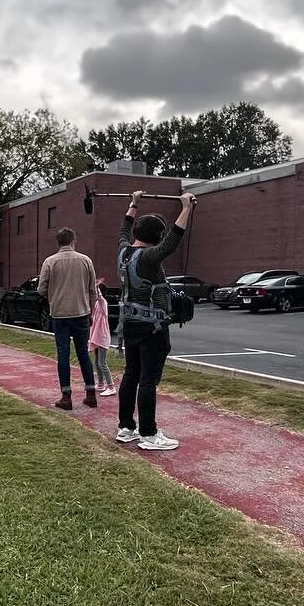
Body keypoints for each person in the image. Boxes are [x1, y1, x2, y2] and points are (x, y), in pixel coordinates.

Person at [115, 190, 195, 450]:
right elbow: (171, 242)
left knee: (131, 375)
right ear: (156, 237)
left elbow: (124, 228)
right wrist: (186, 209)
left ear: (138, 232)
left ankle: (126, 427)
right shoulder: (148, 258)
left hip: (129, 324)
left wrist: (134, 204)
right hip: (153, 328)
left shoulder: (123, 251)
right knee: (148, 380)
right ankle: (148, 434)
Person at [37, 226, 99, 410]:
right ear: (73, 241)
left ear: (58, 242)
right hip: (81, 312)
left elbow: (41, 289)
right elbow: (93, 291)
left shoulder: (50, 262)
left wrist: (53, 295)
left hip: (59, 314)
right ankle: (91, 393)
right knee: (83, 353)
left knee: (63, 353)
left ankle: (66, 396)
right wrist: (91, 311)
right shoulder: (85, 260)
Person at [89, 277, 116, 396]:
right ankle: (101, 383)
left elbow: (99, 296)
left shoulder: (103, 303)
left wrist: (96, 287)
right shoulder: (96, 304)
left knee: (102, 363)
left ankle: (111, 386)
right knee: (97, 362)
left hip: (102, 336)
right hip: (96, 336)